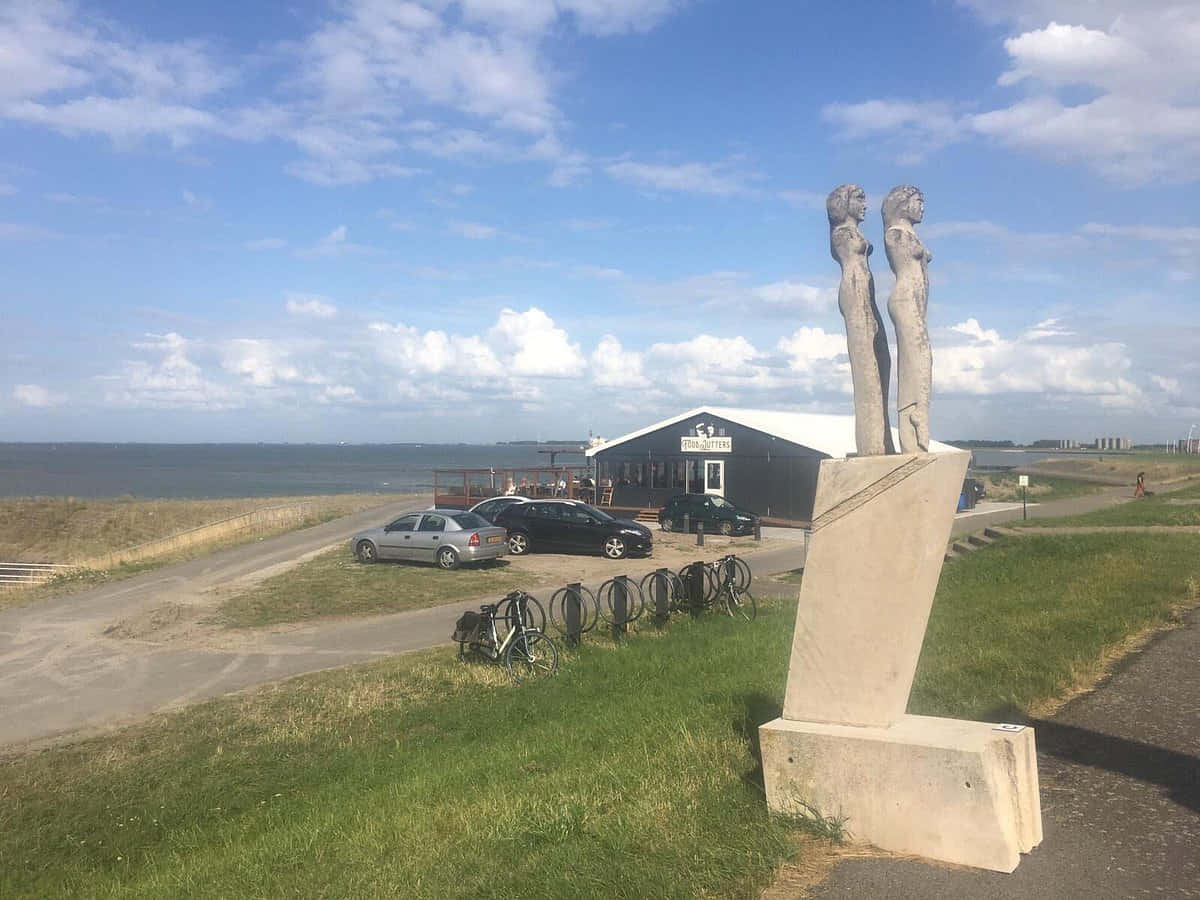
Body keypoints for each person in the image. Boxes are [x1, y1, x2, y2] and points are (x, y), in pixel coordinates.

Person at [827, 184, 894, 456]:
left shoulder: (854, 233)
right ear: (844, 203)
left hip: (866, 293)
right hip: (855, 292)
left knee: (882, 361)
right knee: (867, 368)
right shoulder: (843, 233)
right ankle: (871, 443)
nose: (865, 204)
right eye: (859, 199)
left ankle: (883, 440)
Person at [883, 185, 933, 454]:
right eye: (918, 201)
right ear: (902, 204)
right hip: (904, 300)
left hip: (916, 302)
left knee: (921, 359)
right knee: (920, 357)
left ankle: (919, 409)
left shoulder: (909, 234)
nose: (922, 207)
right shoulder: (896, 234)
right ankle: (916, 410)